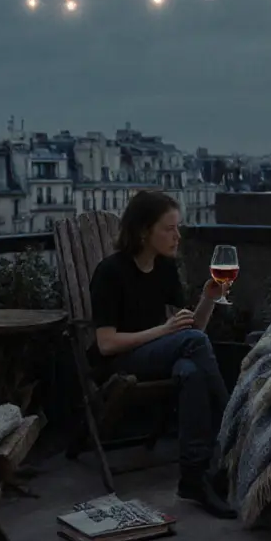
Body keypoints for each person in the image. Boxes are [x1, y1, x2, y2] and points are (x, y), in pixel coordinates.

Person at [88, 191, 235, 519]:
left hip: (159, 354)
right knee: (191, 349)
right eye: (169, 229)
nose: (177, 236)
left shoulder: (165, 268)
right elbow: (106, 344)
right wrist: (164, 331)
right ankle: (235, 431)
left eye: (177, 228)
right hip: (118, 363)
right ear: (143, 231)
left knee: (192, 372)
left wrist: (208, 298)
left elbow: (191, 331)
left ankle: (193, 478)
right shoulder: (110, 272)